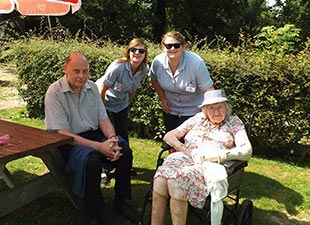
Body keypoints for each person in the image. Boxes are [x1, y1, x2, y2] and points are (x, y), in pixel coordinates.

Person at [44, 52, 138, 225]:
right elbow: (62, 134)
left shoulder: (93, 87)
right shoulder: (54, 93)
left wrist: (112, 140)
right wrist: (99, 147)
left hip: (94, 134)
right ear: (65, 69)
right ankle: (93, 212)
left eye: (85, 71)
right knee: (92, 161)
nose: (81, 76)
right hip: (67, 141)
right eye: (76, 71)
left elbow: (103, 119)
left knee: (124, 151)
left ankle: (121, 202)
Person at [151, 89, 252, 225]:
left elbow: (247, 151)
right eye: (211, 108)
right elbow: (169, 136)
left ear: (226, 107)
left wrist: (218, 155)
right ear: (205, 110)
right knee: (160, 180)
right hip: (185, 157)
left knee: (176, 184)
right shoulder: (198, 119)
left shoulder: (234, 122)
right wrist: (185, 149)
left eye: (220, 107)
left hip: (209, 165)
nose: (216, 112)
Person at [149, 31, 214, 133]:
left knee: (192, 144)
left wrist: (209, 112)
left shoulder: (196, 63)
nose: (172, 49)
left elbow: (209, 90)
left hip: (194, 112)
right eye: (168, 46)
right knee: (172, 143)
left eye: (176, 45)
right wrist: (162, 98)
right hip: (170, 110)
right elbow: (153, 79)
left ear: (183, 46)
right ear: (163, 47)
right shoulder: (157, 62)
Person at [96, 38, 149, 145]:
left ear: (145, 54)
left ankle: (124, 157)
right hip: (103, 100)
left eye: (141, 51)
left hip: (121, 103)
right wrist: (101, 110)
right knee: (104, 132)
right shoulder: (118, 67)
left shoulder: (144, 69)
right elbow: (102, 89)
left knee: (122, 133)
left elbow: (134, 88)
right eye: (133, 50)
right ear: (128, 52)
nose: (137, 53)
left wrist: (128, 102)